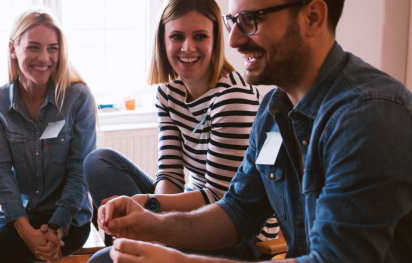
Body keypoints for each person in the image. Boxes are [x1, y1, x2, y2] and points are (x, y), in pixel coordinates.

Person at [98, 0, 412, 262]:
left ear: (312, 17)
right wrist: (153, 225)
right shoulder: (274, 112)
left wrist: (183, 261)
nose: (234, 40)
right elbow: (237, 210)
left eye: (251, 20)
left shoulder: (371, 117)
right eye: (232, 21)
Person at [82, 0, 275, 262]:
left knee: (103, 260)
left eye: (200, 36)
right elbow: (170, 174)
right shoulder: (168, 93)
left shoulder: (233, 98)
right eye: (177, 36)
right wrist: (153, 216)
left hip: (238, 231)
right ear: (163, 41)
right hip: (191, 206)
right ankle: (143, 240)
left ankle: (141, 241)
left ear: (215, 41)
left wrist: (151, 210)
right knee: (98, 161)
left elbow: (221, 200)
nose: (188, 47)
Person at [0, 8, 95, 263]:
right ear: (13, 49)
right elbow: (0, 171)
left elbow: (80, 171)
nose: (45, 57)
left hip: (70, 218)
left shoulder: (78, 98)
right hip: (22, 215)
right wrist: (26, 230)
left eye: (53, 48)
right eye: (34, 47)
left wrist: (56, 228)